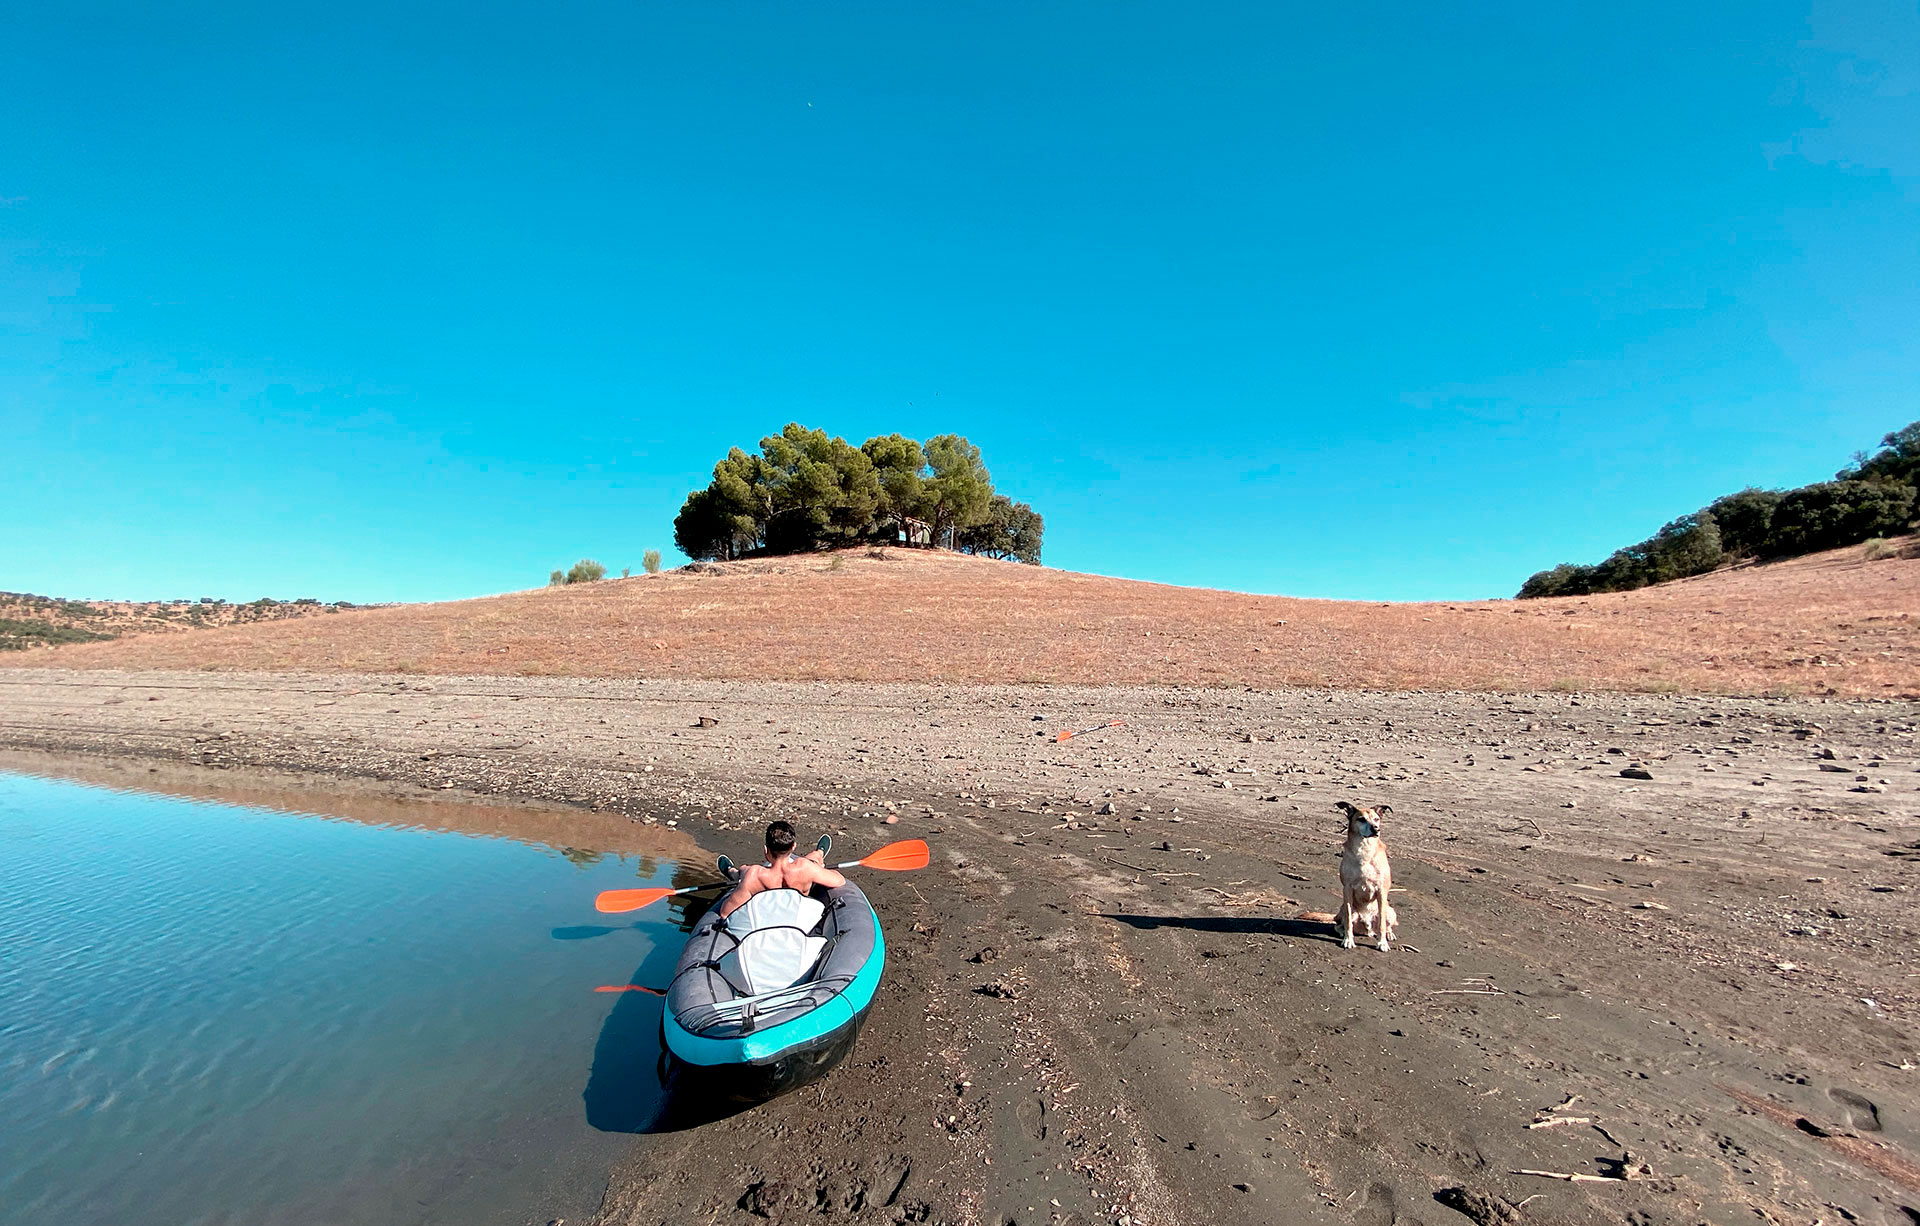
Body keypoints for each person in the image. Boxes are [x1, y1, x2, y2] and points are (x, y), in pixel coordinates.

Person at [714, 820, 844, 919]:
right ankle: (819, 853)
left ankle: (733, 873)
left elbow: (725, 912)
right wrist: (818, 869)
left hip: (767, 917)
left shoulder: (754, 875)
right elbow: (839, 880)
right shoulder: (805, 868)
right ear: (793, 846)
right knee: (813, 860)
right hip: (796, 917)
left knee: (744, 870)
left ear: (766, 850)